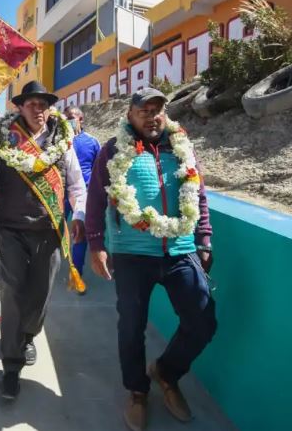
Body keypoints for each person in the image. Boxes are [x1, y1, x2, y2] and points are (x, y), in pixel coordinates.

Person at [85, 88, 216, 431]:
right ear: (130, 115)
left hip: (180, 250)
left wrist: (204, 239)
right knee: (131, 328)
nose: (151, 116)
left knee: (203, 321)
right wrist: (96, 243)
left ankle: (166, 372)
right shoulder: (113, 149)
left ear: (165, 114)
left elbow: (198, 194)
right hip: (132, 253)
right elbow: (96, 198)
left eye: (157, 109)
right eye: (143, 110)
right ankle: (137, 391)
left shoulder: (182, 146)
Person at [0, 80, 87, 400]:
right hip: (11, 229)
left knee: (41, 292)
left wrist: (80, 217)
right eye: (32, 104)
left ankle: (29, 335)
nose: (39, 110)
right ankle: (11, 367)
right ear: (20, 107)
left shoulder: (63, 140)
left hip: (49, 230)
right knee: (13, 293)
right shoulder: (4, 139)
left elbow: (76, 185)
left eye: (43, 104)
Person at [63, 105, 100, 290]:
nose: (67, 120)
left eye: (70, 117)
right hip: (59, 194)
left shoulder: (92, 142)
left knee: (79, 234)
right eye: (65, 117)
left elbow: (99, 170)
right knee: (51, 231)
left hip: (81, 195)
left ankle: (76, 274)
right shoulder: (58, 140)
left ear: (81, 119)